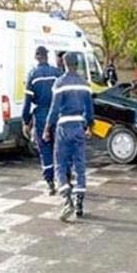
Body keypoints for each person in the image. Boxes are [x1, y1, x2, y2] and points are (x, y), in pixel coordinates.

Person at [44, 52, 94, 222]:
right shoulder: (85, 84)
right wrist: (90, 126)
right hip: (79, 126)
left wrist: (46, 128)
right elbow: (90, 109)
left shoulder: (60, 83)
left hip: (64, 127)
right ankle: (80, 203)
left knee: (60, 164)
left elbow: (54, 108)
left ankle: (67, 200)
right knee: (79, 165)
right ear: (77, 64)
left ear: (64, 63)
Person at [22, 46, 62, 195]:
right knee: (59, 149)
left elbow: (27, 103)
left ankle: (50, 183)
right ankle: (64, 178)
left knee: (45, 150)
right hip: (57, 116)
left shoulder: (32, 75)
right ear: (47, 56)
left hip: (40, 117)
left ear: (36, 57)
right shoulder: (57, 73)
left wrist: (26, 121)